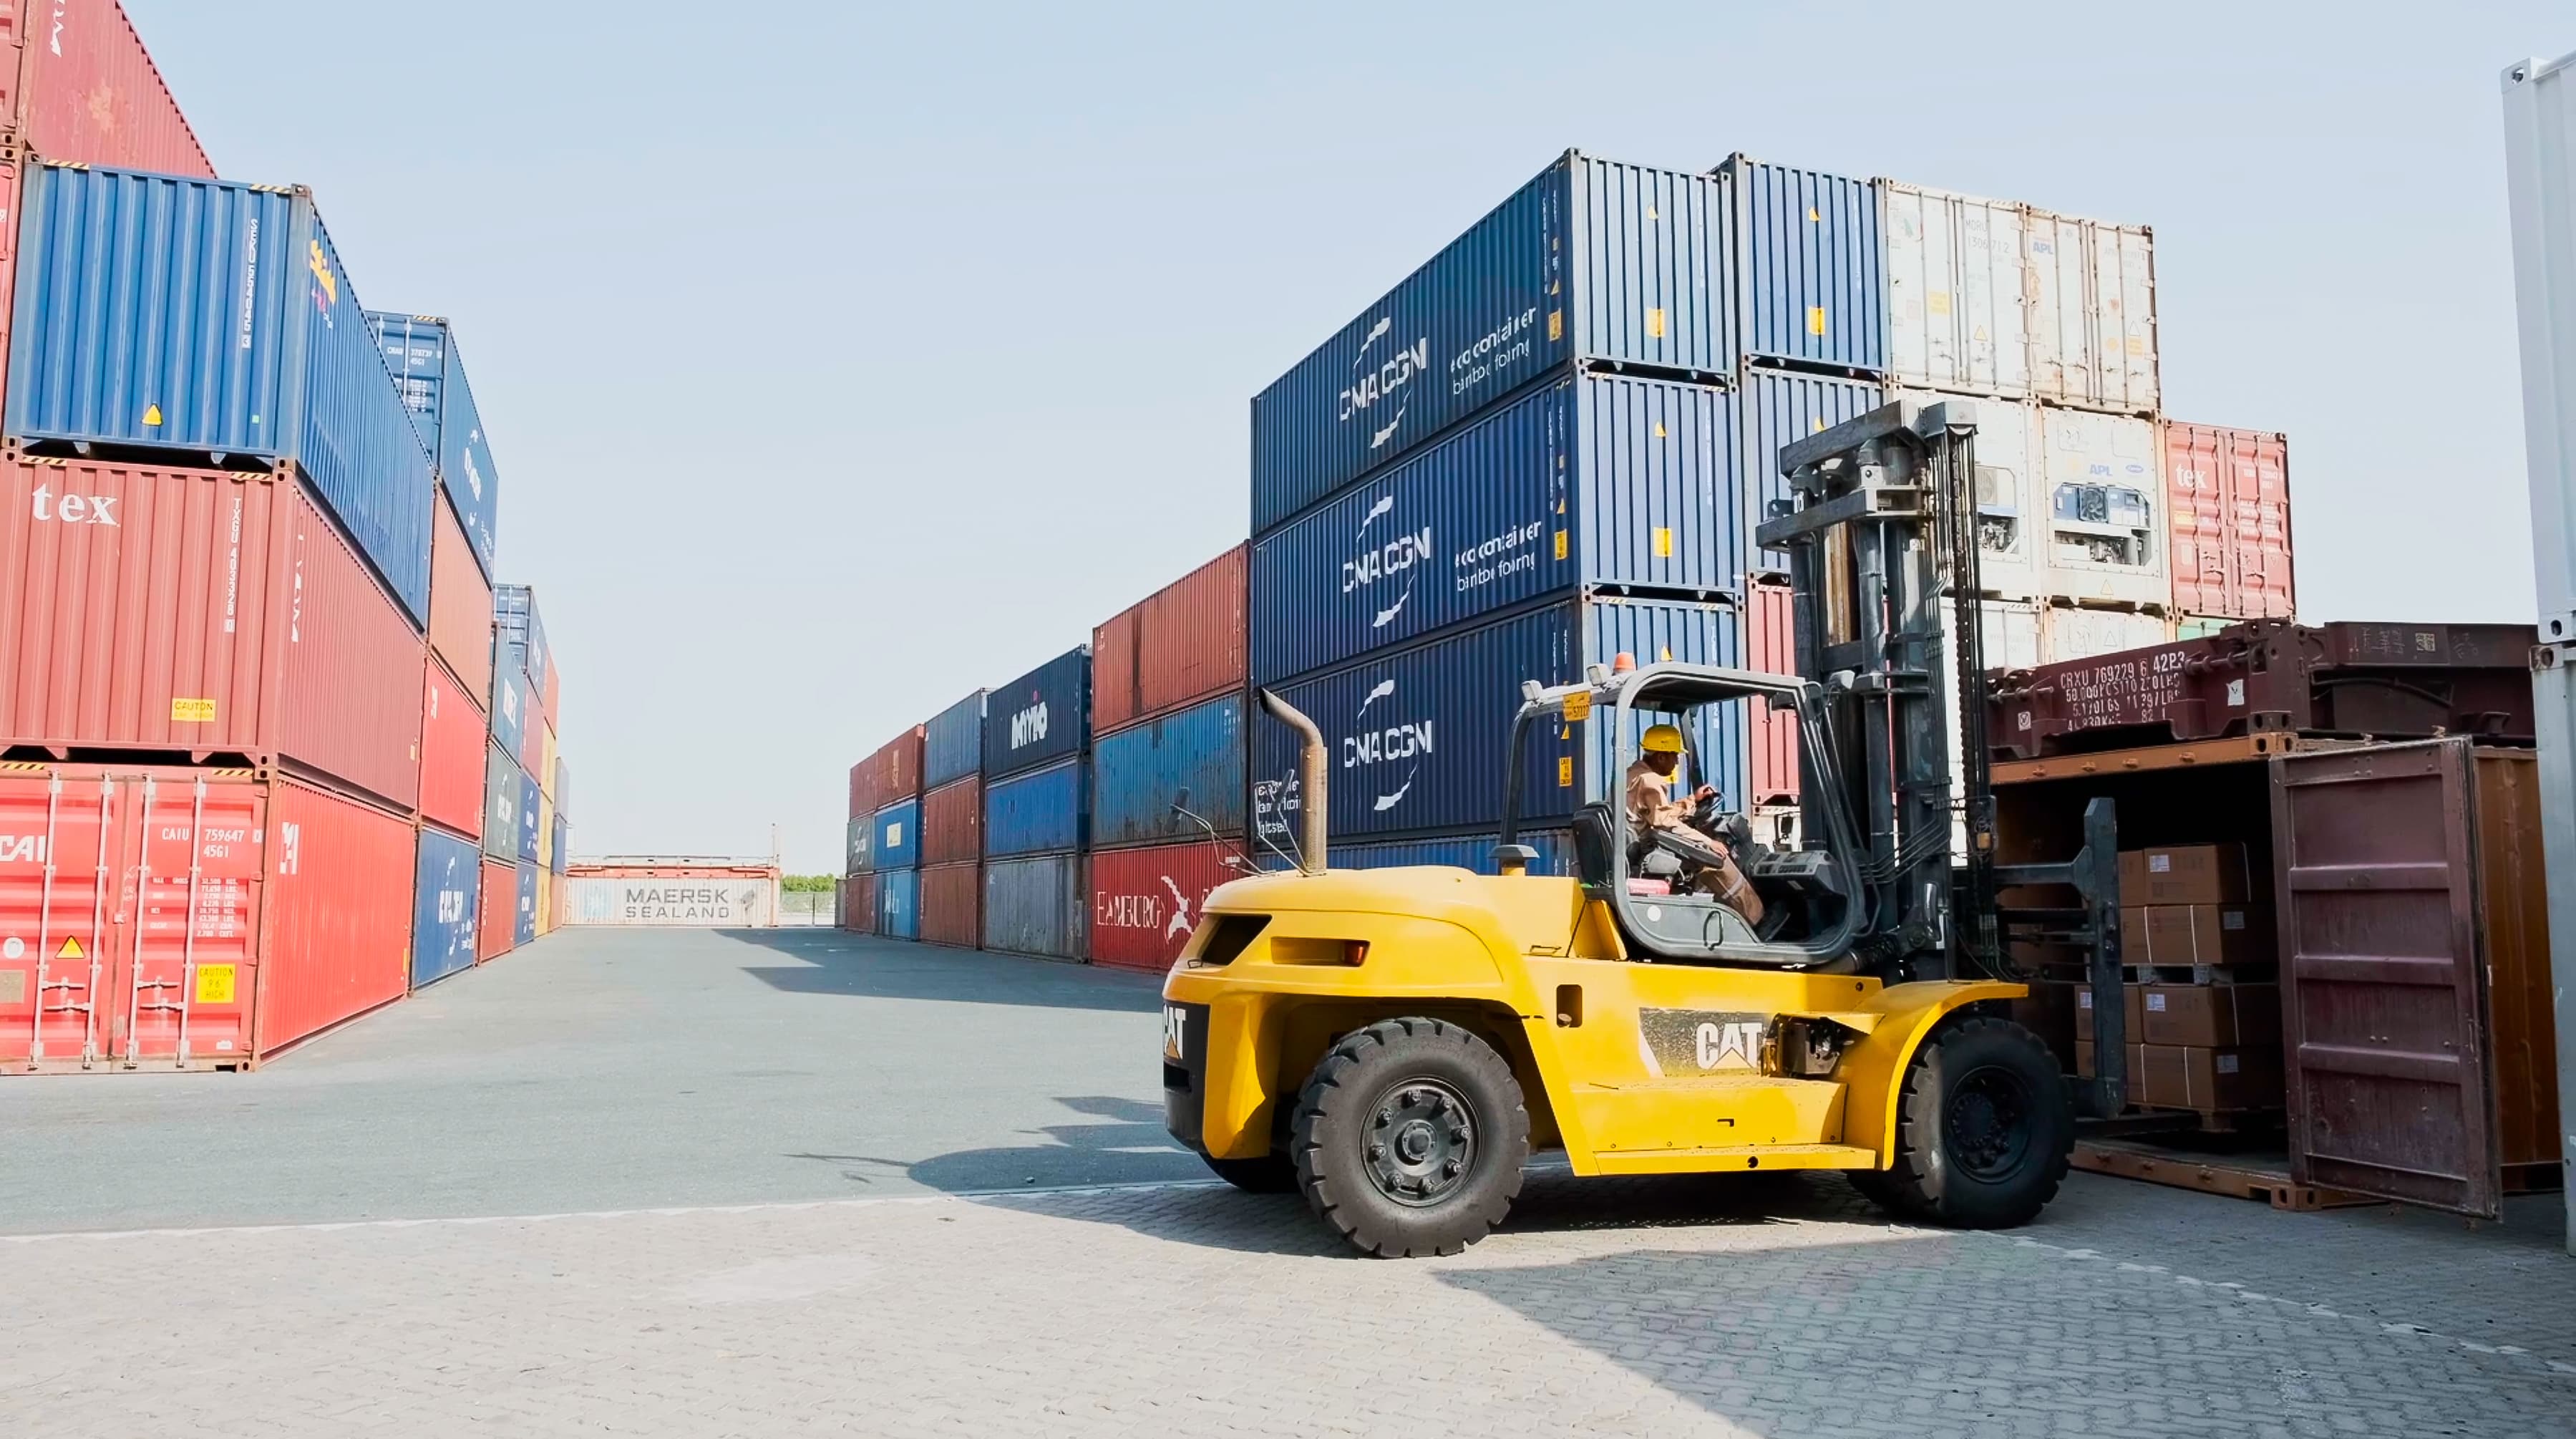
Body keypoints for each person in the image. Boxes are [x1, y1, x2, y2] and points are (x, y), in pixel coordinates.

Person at [1624, 725, 1765, 926]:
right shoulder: (1650, 781)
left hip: (1639, 846)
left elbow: (1659, 814)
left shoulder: (1633, 774)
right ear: (1661, 756)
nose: (1676, 762)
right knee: (1716, 860)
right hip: (1647, 849)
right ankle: (1757, 920)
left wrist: (1693, 800)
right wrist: (1708, 842)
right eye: (1674, 756)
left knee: (1703, 854)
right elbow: (1666, 824)